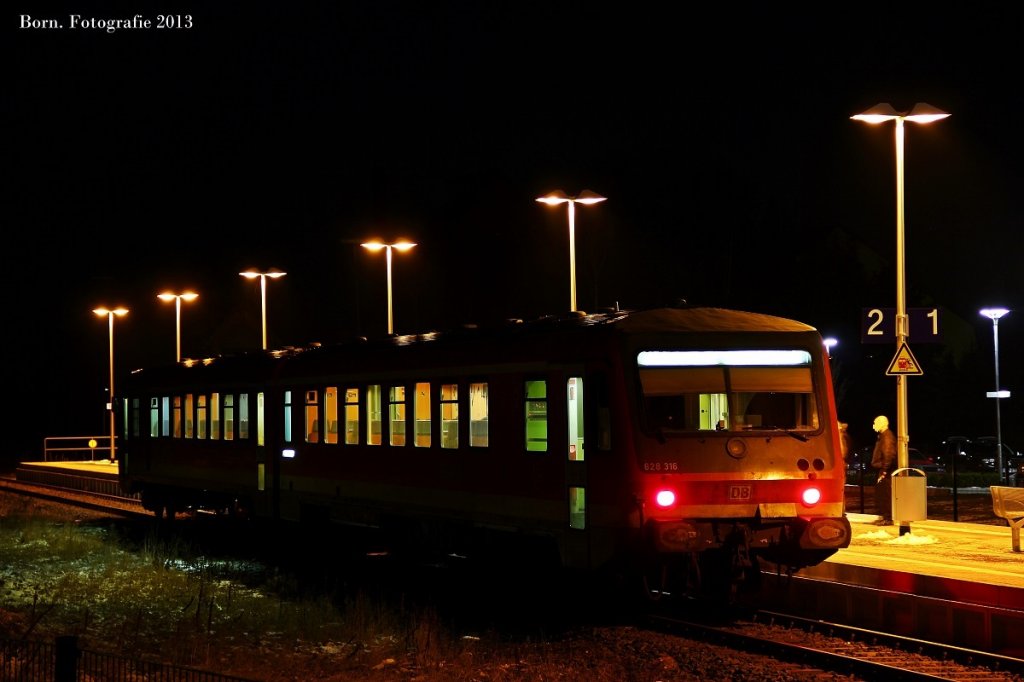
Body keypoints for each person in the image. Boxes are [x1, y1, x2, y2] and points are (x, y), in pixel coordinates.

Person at [870, 415, 897, 525]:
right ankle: (885, 516)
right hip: (883, 468)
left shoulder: (886, 436)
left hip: (885, 469)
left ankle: (887, 518)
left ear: (882, 423)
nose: (874, 426)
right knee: (881, 494)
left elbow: (888, 453)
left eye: (875, 423)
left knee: (885, 494)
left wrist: (884, 470)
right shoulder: (883, 436)